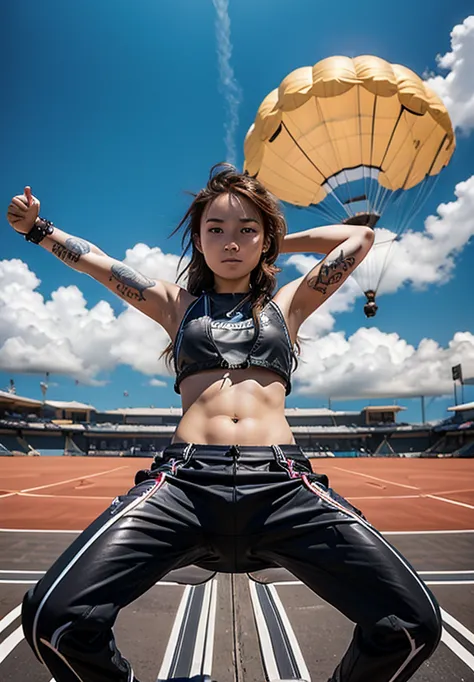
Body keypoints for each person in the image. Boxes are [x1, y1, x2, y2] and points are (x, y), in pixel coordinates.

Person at [7, 165, 441, 682]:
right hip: (183, 484)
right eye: (215, 229)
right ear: (197, 238)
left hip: (283, 484)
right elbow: (99, 265)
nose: (230, 242)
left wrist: (278, 239)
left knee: (413, 623)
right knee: (52, 618)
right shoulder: (177, 305)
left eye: (246, 230)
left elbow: (360, 237)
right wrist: (39, 230)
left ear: (265, 241)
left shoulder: (288, 305)